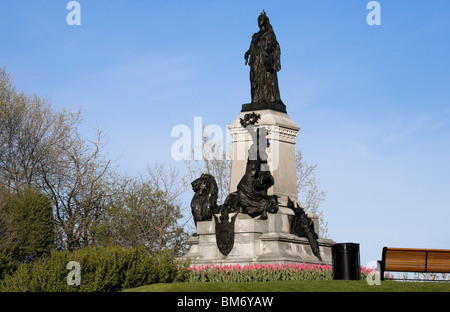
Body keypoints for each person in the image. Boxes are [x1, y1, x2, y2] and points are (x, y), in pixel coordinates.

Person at [244, 10, 282, 104]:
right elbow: (251, 47)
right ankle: (256, 99)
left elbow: (273, 46)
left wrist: (269, 56)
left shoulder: (269, 33)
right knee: (255, 79)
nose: (259, 21)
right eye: (258, 19)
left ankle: (266, 98)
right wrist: (247, 53)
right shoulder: (255, 35)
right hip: (255, 59)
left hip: (264, 58)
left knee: (265, 78)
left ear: (265, 21)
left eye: (261, 19)